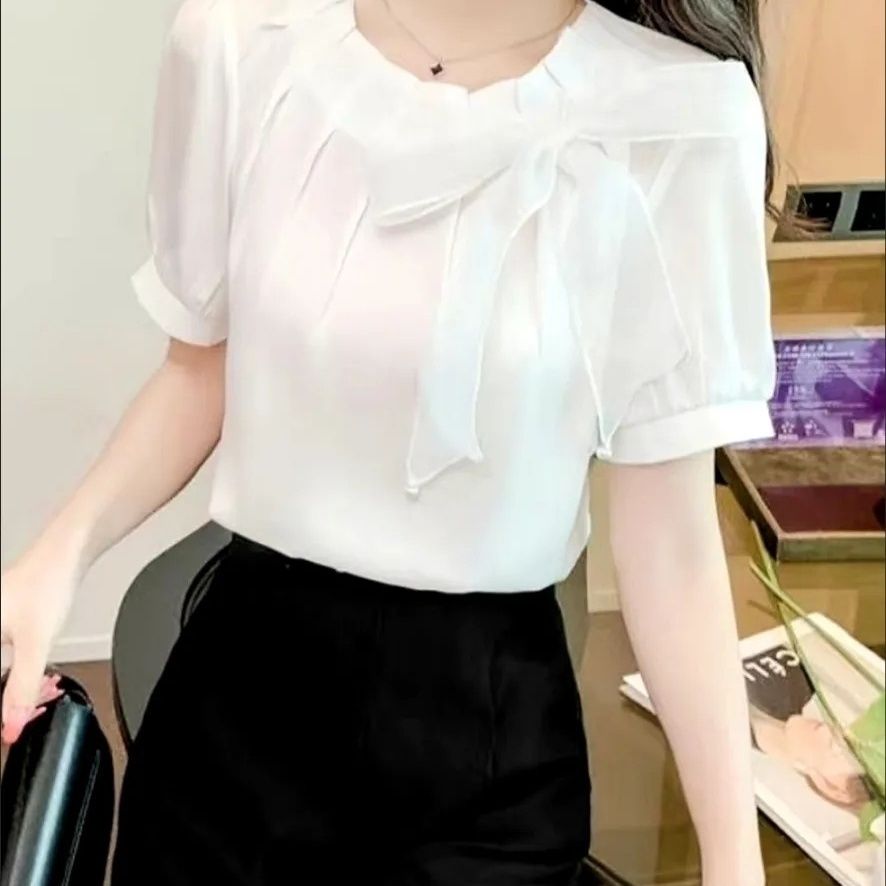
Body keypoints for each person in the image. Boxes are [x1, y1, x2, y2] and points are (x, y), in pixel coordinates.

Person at [1, 0, 795, 882]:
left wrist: (734, 862)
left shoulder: (682, 113)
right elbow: (200, 371)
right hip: (241, 707)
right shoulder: (241, 40)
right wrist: (52, 561)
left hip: (489, 757)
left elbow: (671, 537)